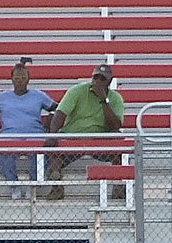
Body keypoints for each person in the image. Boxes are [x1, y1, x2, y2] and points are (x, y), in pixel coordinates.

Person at [44, 64, 125, 201]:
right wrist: (53, 134)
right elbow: (60, 114)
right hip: (72, 135)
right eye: (95, 77)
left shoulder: (115, 98)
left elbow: (115, 126)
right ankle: (56, 186)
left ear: (109, 82)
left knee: (119, 143)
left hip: (100, 137)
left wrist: (103, 100)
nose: (97, 81)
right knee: (53, 145)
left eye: (102, 79)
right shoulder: (77, 91)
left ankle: (119, 186)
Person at [0, 63, 56, 198]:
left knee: (43, 152)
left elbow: (57, 108)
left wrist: (51, 119)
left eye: (23, 78)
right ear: (11, 79)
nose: (20, 81)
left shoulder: (38, 95)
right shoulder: (3, 96)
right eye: (17, 78)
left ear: (28, 79)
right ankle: (14, 186)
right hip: (10, 134)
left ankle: (34, 186)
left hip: (35, 134)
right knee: (1, 153)